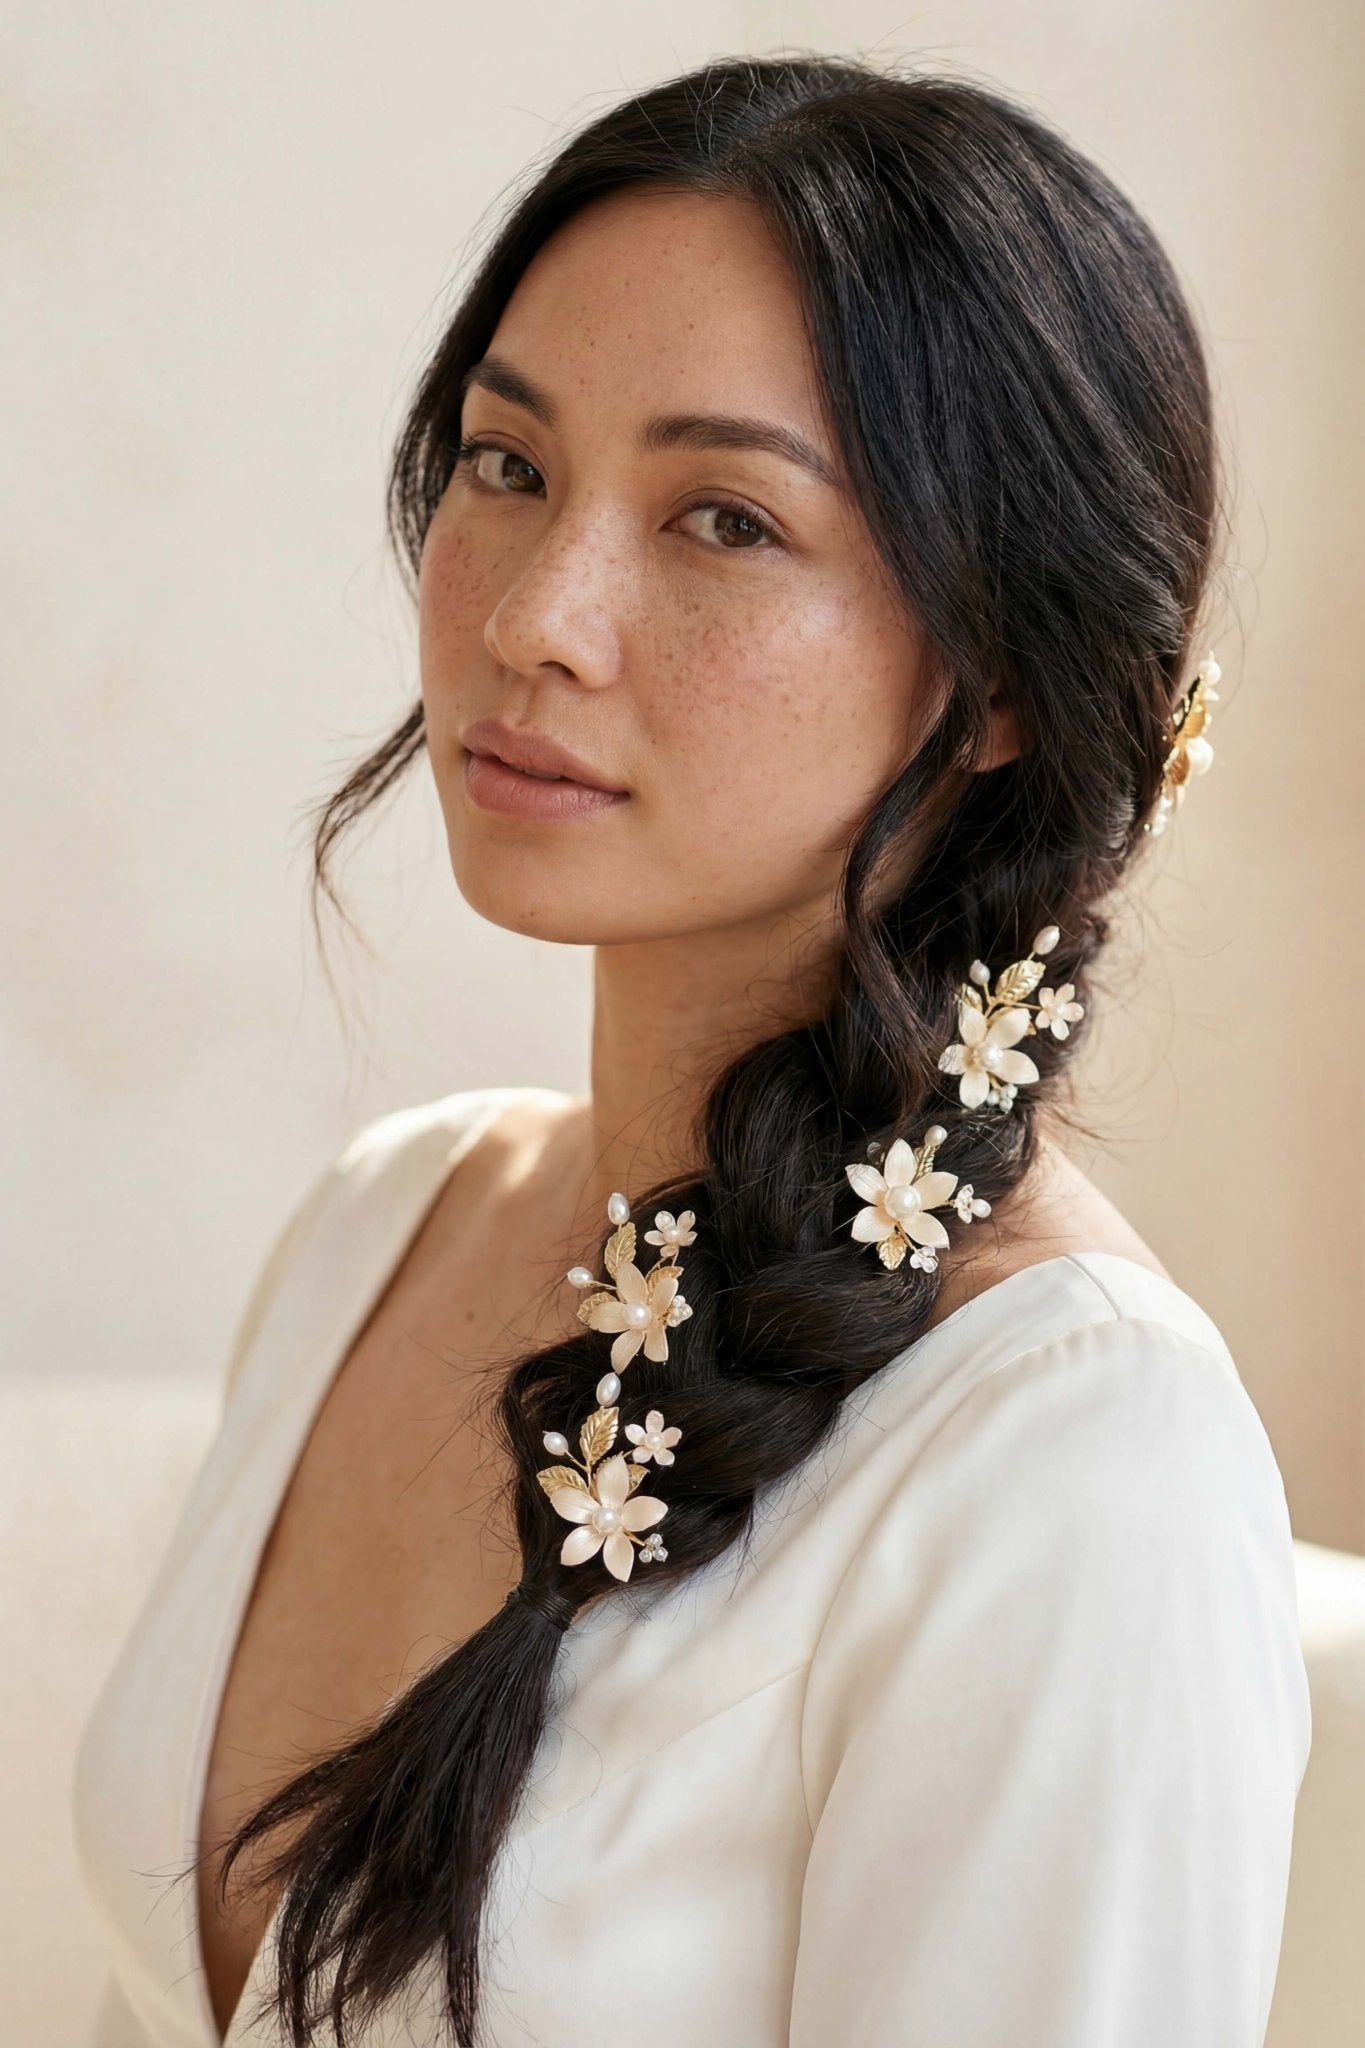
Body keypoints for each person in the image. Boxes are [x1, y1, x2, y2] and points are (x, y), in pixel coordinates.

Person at [73, 52, 1310, 2048]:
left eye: (723, 518)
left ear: (997, 673)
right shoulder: (383, 1224)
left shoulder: (1070, 1454)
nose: (539, 617)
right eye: (506, 463)